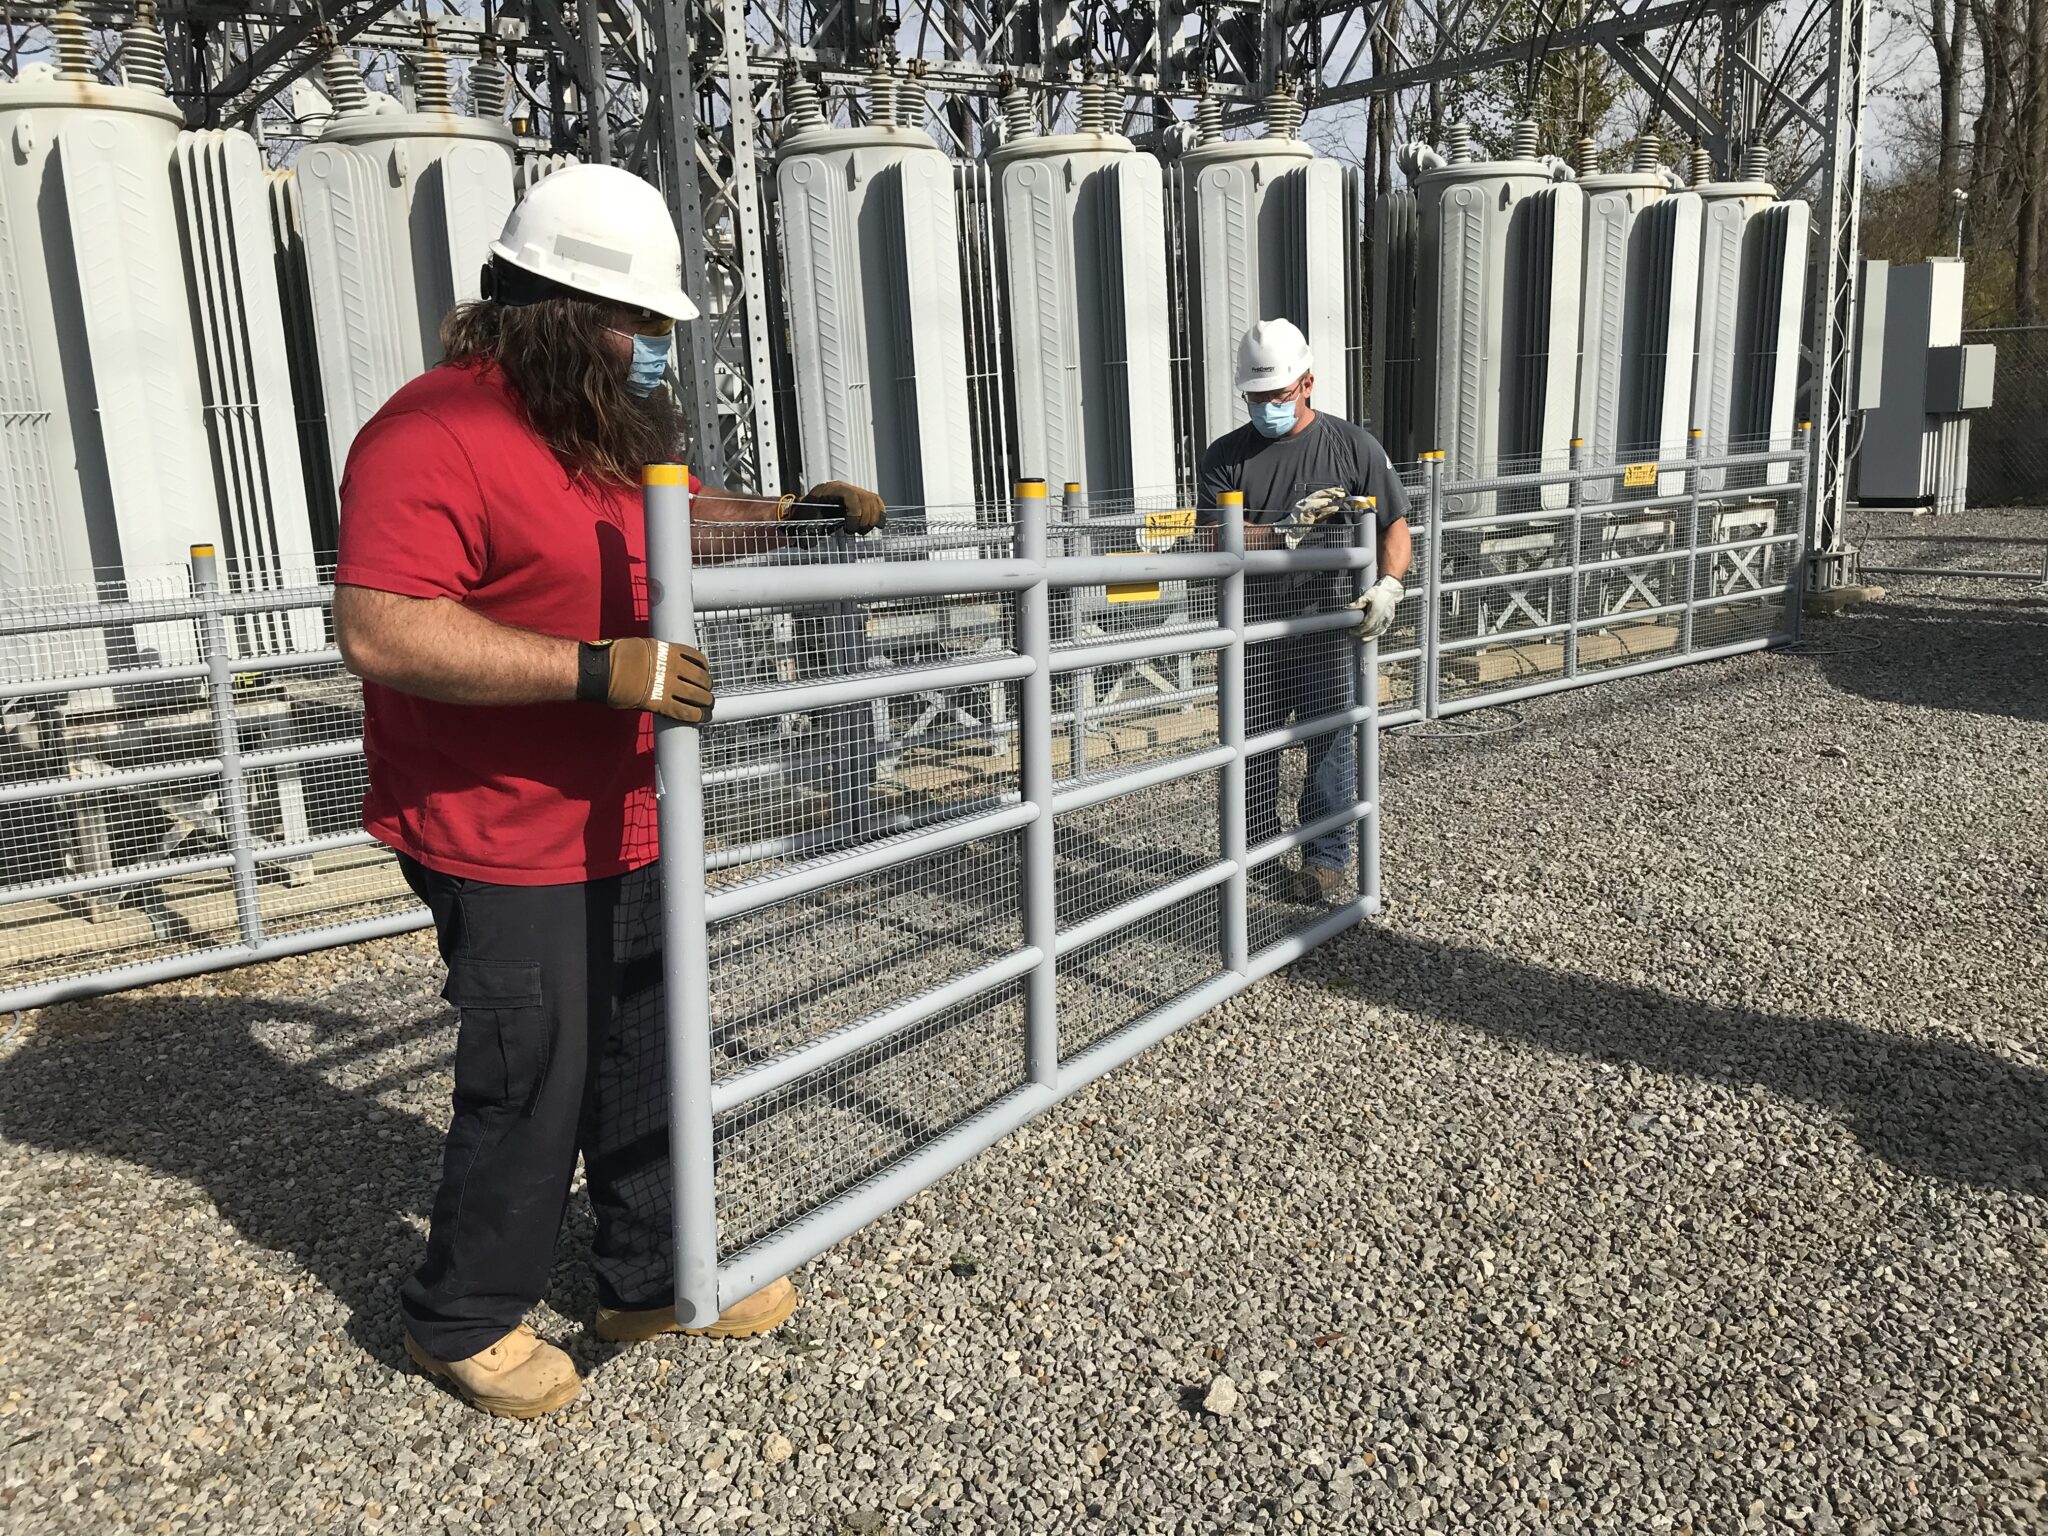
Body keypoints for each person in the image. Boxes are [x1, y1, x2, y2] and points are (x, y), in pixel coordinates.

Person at [333, 163, 885, 1419]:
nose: (650, 355)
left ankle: (648, 1272)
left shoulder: (580, 427)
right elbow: (382, 627)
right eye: (635, 327)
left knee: (644, 1045)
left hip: (626, 806)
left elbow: (668, 526)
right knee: (539, 1067)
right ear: (557, 313)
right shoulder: (431, 435)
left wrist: (788, 516)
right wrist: (596, 670)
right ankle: (459, 1315)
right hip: (499, 824)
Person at [1199, 318, 1413, 907]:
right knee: (1253, 744)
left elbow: (1396, 526)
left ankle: (1324, 857)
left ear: (1308, 383)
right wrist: (1287, 530)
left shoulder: (1352, 447)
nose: (1267, 405)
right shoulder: (1227, 456)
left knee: (1328, 740)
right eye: (1256, 396)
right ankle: (1259, 851)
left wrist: (1389, 584)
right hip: (1253, 628)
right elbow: (1214, 538)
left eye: (1278, 394)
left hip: (1326, 624)